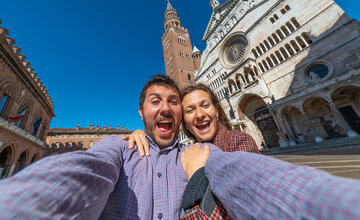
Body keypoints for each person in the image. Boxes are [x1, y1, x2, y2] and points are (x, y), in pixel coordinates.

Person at [0, 74, 359, 219]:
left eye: (174, 101)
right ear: (141, 113)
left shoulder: (197, 154)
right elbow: (81, 172)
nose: (167, 107)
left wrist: (335, 204)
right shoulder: (118, 147)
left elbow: (249, 177)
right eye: (155, 101)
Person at [126, 83, 260, 218]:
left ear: (217, 112)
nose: (199, 115)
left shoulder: (237, 140)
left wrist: (197, 176)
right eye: (190, 111)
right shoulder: (186, 153)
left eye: (205, 105)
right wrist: (143, 136)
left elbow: (250, 200)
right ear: (184, 123)